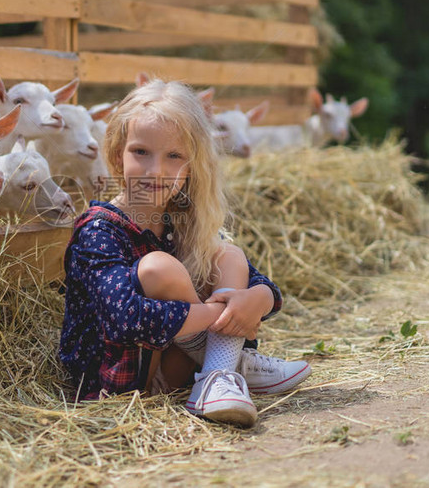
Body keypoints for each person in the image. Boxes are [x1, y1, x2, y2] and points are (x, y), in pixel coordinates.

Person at [58, 78, 311, 427]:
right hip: (120, 384)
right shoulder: (98, 230)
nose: (155, 170)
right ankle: (231, 364)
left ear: (191, 165)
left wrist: (259, 299)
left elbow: (258, 282)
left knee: (228, 255)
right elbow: (126, 317)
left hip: (176, 374)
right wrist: (221, 314)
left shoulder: (182, 221)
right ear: (118, 154)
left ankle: (217, 376)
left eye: (174, 156)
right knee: (159, 268)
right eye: (140, 152)